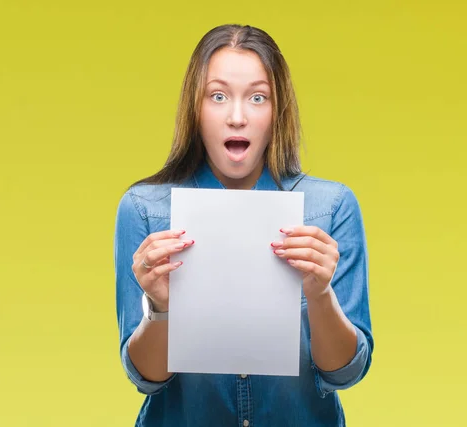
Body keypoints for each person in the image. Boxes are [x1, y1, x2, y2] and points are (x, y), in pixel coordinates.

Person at [114, 24, 373, 427]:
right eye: (218, 96)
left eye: (257, 97)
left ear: (277, 110)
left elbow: (345, 372)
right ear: (195, 109)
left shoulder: (330, 208)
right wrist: (161, 309)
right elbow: (146, 378)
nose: (237, 117)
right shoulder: (145, 211)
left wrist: (320, 294)